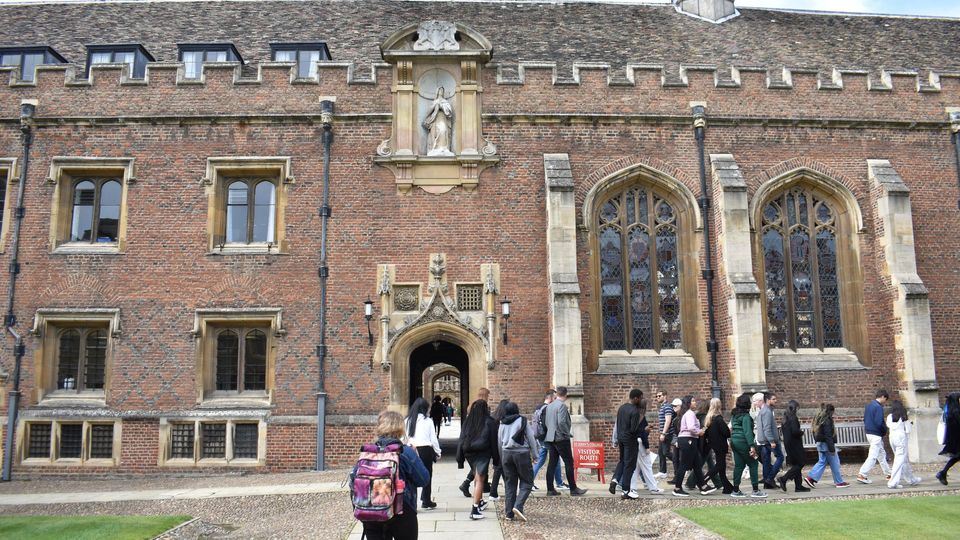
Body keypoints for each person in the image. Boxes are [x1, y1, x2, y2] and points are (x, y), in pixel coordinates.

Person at [360, 410, 430, 540]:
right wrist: (416, 456)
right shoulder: (405, 451)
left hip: (372, 509)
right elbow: (424, 479)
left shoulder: (368, 452)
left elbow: (354, 481)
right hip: (402, 508)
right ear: (400, 428)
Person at [457, 399, 499, 520]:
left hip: (469, 452)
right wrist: (496, 459)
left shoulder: (468, 421)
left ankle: (479, 501)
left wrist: (460, 458)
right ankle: (474, 509)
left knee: (477, 476)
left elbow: (461, 439)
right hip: (483, 452)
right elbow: (493, 442)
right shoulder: (490, 422)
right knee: (480, 478)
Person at [498, 401, 539, 522]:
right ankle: (518, 506)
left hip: (506, 454)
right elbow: (531, 438)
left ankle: (509, 513)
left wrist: (502, 457)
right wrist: (535, 455)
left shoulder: (502, 422)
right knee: (527, 481)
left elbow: (499, 441)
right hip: (521, 454)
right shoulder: (522, 420)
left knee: (510, 483)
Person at [544, 386, 588, 496]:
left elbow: (547, 422)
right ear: (565, 395)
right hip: (561, 438)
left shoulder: (549, 406)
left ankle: (550, 489)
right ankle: (573, 489)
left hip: (551, 437)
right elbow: (562, 422)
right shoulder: (562, 406)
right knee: (569, 462)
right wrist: (566, 434)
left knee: (552, 464)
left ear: (557, 394)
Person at [672, 395, 715, 497]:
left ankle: (703, 487)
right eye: (693, 401)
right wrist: (699, 432)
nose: (695, 402)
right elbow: (691, 428)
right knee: (684, 465)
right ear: (688, 403)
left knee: (697, 465)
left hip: (688, 440)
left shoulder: (687, 413)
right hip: (688, 440)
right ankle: (677, 488)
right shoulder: (690, 413)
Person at [406, 397, 442, 510]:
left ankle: (413, 503)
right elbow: (433, 439)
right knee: (427, 475)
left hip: (410, 450)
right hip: (425, 450)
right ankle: (426, 500)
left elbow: (404, 438)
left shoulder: (407, 420)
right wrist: (438, 451)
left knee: (411, 477)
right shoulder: (428, 421)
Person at [730, 392, 765, 498]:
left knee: (739, 466)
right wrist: (752, 446)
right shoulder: (746, 416)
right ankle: (755, 490)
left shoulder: (734, 415)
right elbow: (747, 432)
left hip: (734, 441)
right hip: (743, 442)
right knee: (753, 464)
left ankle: (735, 490)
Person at [807, 403, 849, 488]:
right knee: (835, 463)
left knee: (822, 462)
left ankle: (810, 478)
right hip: (827, 445)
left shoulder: (818, 419)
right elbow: (828, 435)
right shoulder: (827, 420)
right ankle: (839, 482)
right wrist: (832, 449)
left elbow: (815, 432)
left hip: (820, 444)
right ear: (830, 411)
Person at [460, 388, 493, 497]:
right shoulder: (483, 407)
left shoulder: (472, 405)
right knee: (479, 469)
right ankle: (472, 489)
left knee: (477, 469)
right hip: (479, 440)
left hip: (470, 440)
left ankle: (475, 487)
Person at [531, 389, 566, 491]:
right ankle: (529, 482)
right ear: (550, 398)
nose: (555, 400)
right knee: (543, 460)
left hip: (540, 436)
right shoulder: (548, 408)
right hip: (547, 438)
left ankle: (559, 482)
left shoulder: (539, 407)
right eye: (554, 398)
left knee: (552, 458)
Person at [612, 389, 643, 499]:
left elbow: (619, 425)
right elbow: (634, 429)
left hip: (621, 438)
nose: (641, 400)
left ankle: (615, 479)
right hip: (630, 441)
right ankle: (625, 491)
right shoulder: (634, 411)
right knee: (629, 465)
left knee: (622, 461)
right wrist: (645, 430)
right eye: (640, 398)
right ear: (635, 398)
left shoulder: (621, 408)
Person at [629, 398, 663, 494]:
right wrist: (647, 447)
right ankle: (653, 488)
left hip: (632, 442)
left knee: (635, 467)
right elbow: (642, 433)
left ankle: (632, 487)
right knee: (647, 466)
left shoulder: (632, 414)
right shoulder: (641, 416)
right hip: (640, 443)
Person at [857, 389, 891, 484]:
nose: (885, 401)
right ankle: (862, 474)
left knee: (881, 454)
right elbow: (879, 422)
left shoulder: (869, 405)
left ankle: (888, 473)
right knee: (873, 456)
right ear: (883, 397)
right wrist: (884, 430)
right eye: (886, 399)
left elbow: (865, 419)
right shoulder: (878, 407)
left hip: (869, 433)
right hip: (876, 434)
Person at [776, 399, 810, 493]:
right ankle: (784, 479)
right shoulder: (793, 418)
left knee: (796, 464)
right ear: (795, 408)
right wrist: (801, 432)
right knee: (800, 463)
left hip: (788, 444)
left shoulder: (785, 418)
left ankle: (798, 486)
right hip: (795, 444)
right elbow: (795, 431)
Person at [886, 399, 921, 489]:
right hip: (901, 438)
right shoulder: (903, 416)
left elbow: (889, 425)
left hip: (892, 438)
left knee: (903, 459)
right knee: (899, 460)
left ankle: (911, 479)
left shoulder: (890, 416)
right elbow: (908, 430)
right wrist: (909, 424)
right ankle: (893, 482)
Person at [703, 397, 734, 494]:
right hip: (720, 445)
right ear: (719, 405)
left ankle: (727, 487)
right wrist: (729, 430)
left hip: (714, 445)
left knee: (722, 467)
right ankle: (703, 480)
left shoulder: (709, 418)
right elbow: (726, 433)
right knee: (719, 465)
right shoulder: (719, 418)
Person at [756, 392, 784, 489]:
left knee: (766, 461)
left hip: (764, 440)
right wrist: (772, 441)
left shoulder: (763, 411)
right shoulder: (767, 412)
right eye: (773, 399)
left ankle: (767, 483)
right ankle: (770, 478)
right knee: (780, 458)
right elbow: (767, 428)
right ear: (768, 400)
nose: (775, 401)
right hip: (769, 440)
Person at [936, 392, 960, 485]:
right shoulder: (955, 412)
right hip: (957, 439)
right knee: (957, 456)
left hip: (955, 439)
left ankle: (943, 473)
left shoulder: (951, 411)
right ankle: (942, 473)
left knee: (956, 457)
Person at [422, 86, 454, 156]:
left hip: (442, 117)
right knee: (434, 134)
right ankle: (434, 148)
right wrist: (436, 105)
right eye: (440, 90)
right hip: (434, 119)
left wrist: (441, 106)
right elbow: (428, 112)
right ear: (437, 92)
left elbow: (449, 112)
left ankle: (443, 148)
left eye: (442, 90)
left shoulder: (445, 102)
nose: (441, 92)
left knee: (443, 131)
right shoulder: (434, 101)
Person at [488, 399, 510, 500]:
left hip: (495, 445)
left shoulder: (493, 417)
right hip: (503, 445)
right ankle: (493, 493)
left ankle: (504, 491)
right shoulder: (506, 418)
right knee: (500, 469)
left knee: (500, 469)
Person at [655, 391, 675, 479]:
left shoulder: (667, 406)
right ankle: (663, 471)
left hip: (667, 433)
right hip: (663, 433)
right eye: (656, 396)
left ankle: (680, 463)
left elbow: (668, 420)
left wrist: (663, 433)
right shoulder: (663, 406)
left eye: (659, 396)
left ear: (665, 396)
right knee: (661, 452)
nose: (657, 397)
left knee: (665, 452)